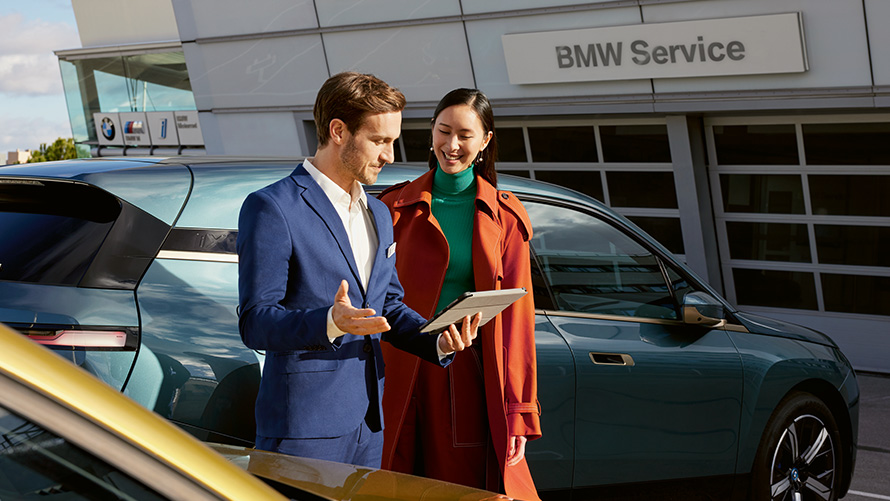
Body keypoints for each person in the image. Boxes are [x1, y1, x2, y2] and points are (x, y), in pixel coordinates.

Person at [237, 72, 480, 468]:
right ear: (338, 131)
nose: (389, 155)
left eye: (393, 142)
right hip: (304, 427)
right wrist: (330, 322)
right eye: (380, 141)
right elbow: (255, 322)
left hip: (369, 422)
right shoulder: (272, 207)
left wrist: (438, 339)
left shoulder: (380, 213)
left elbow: (388, 306)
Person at [378, 88, 541, 500]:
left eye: (465, 135)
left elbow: (518, 321)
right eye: (443, 131)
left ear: (485, 141)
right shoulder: (390, 207)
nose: (451, 146)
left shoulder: (505, 216)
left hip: (465, 374)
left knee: (459, 490)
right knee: (388, 485)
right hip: (392, 370)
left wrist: (519, 412)